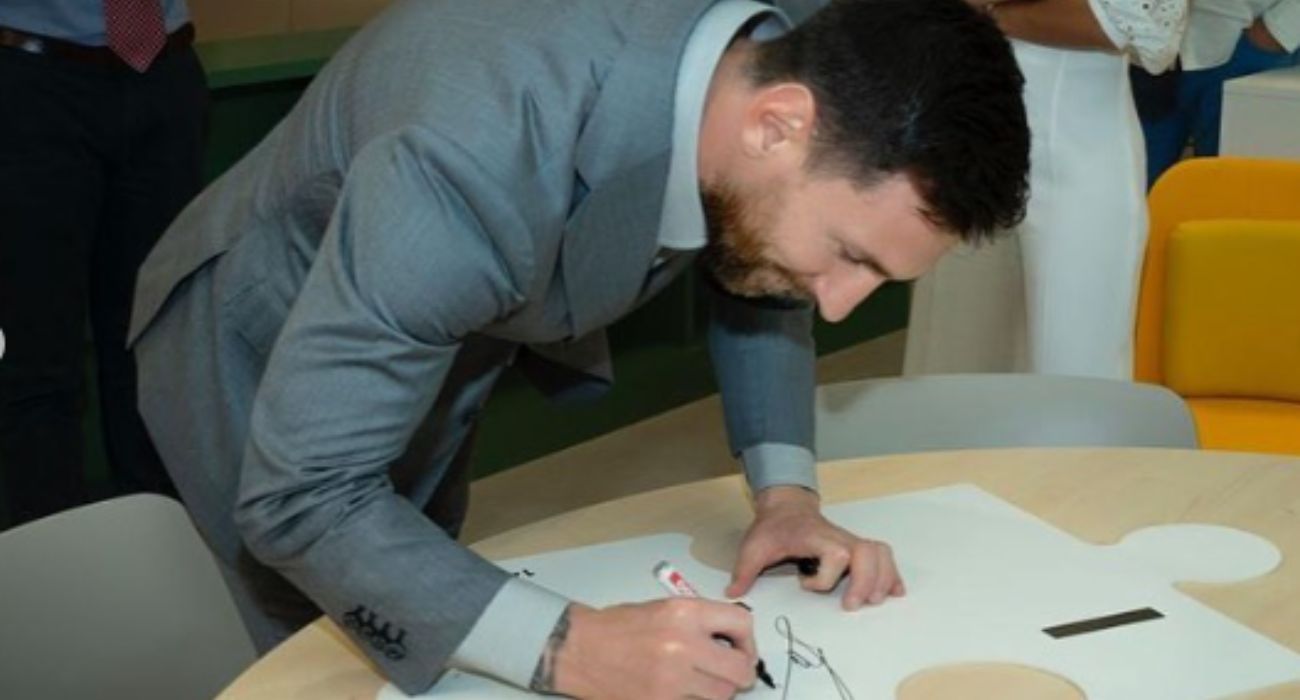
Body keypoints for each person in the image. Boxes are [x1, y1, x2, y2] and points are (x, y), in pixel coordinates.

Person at [129, 0, 1030, 696]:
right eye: (849, 257)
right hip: (256, 341)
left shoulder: (787, 62)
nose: (840, 309)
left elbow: (756, 263)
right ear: (777, 124)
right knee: (326, 657)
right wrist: (573, 647)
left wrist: (786, 496)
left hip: (447, 329)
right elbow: (306, 499)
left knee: (438, 593)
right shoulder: (472, 161)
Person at [904, 0, 1187, 380]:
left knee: (1076, 374)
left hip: (1078, 156)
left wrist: (983, 15)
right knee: (952, 366)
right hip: (963, 143)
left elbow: (1137, 24)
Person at [0, 0, 201, 529]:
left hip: (165, 75)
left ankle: (161, 559)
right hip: (32, 79)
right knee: (36, 362)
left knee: (154, 344)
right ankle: (58, 580)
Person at [1140, 0, 1300, 186]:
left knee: (1233, 192)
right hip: (1143, 44)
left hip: (1241, 49)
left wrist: (1277, 31)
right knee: (1139, 187)